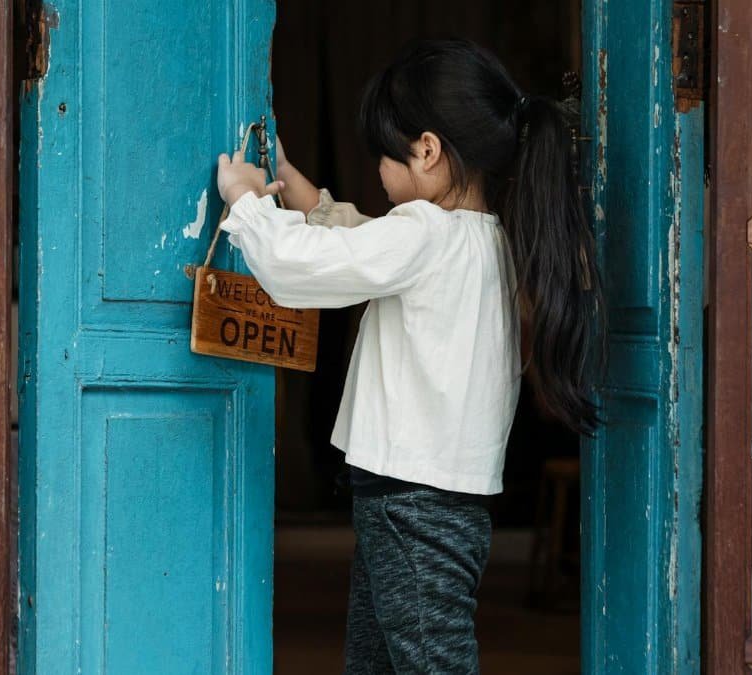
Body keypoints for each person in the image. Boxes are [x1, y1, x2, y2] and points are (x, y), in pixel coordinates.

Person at [215, 38, 601, 674]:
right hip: (434, 499)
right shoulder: (486, 239)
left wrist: (245, 201)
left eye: (384, 156)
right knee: (385, 662)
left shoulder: (422, 234)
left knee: (429, 662)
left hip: (409, 501)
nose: (379, 170)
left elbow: (298, 267)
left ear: (427, 149)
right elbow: (363, 238)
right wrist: (292, 185)